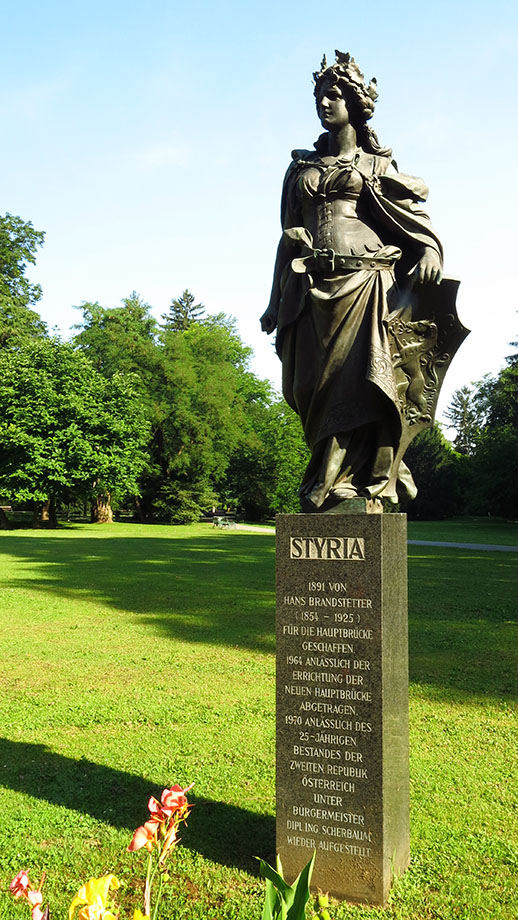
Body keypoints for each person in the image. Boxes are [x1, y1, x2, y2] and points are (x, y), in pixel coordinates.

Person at [260, 51, 444, 512]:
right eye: (321, 95)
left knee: (357, 382)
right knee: (304, 388)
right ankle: (329, 474)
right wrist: (271, 298)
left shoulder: (376, 166)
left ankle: (342, 482)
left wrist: (429, 249)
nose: (326, 102)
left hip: (364, 283)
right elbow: (283, 237)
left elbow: (412, 218)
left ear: (357, 103)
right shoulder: (299, 168)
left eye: (336, 94)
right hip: (308, 288)